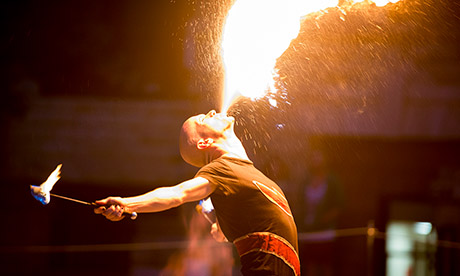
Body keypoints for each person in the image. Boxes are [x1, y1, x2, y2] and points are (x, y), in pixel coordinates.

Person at [94, 110, 300, 276]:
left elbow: (231, 226)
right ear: (205, 143)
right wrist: (126, 204)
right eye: (203, 119)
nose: (211, 111)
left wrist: (220, 228)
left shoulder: (246, 173)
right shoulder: (221, 169)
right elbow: (178, 194)